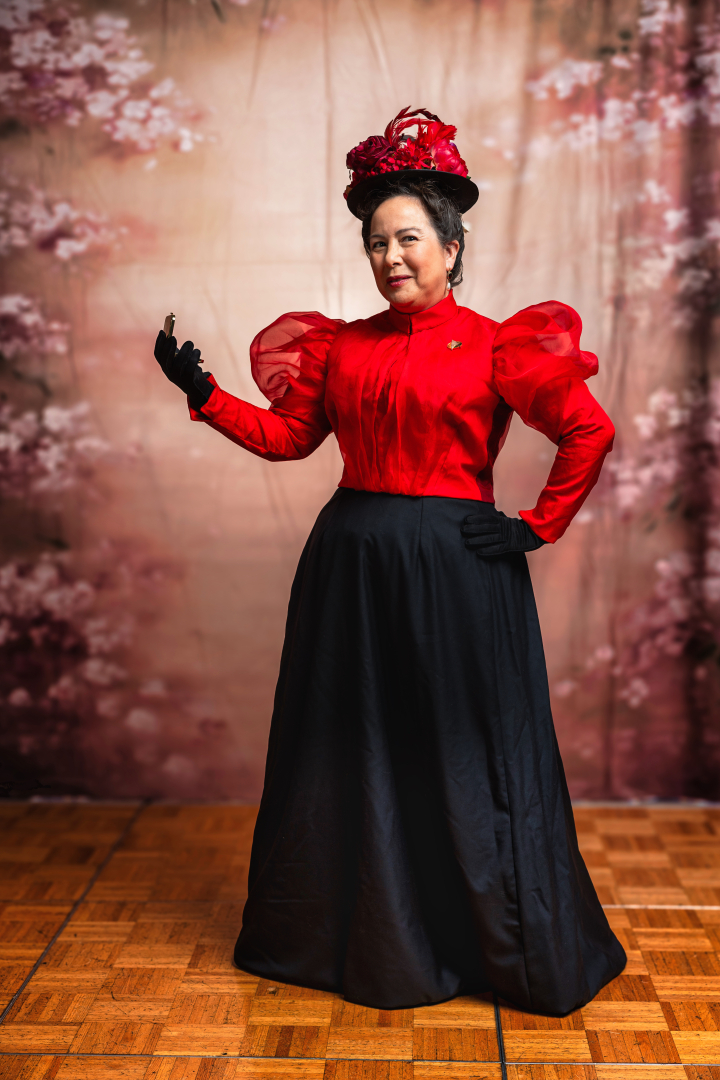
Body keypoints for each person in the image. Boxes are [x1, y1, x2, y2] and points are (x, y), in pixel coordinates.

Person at [154, 107, 626, 1016]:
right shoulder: (343, 343)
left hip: (458, 575)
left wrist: (537, 525)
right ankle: (362, 936)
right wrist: (205, 393)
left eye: (408, 238)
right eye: (376, 243)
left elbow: (586, 431)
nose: (390, 257)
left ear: (450, 245)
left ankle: (478, 942)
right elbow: (292, 440)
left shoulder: (499, 341)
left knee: (458, 755)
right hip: (351, 572)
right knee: (351, 750)